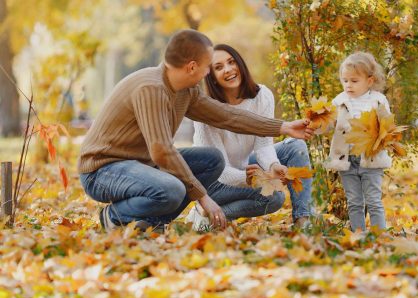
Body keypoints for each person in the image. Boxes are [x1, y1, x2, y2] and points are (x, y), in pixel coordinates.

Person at [78, 30, 313, 233]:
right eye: (208, 66)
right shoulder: (151, 88)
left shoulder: (186, 91)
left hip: (141, 166)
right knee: (172, 189)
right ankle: (113, 217)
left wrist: (283, 127)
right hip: (103, 171)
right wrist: (203, 197)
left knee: (211, 160)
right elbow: (161, 151)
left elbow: (228, 116)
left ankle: (152, 222)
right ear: (192, 67)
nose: (209, 73)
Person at [192, 44, 313, 228]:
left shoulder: (262, 96)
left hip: (244, 167)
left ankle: (303, 220)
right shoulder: (206, 111)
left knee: (295, 146)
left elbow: (263, 144)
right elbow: (220, 170)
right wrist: (249, 179)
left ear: (240, 64)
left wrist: (273, 165)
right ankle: (210, 217)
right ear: (212, 77)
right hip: (212, 184)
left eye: (231, 62)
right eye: (219, 67)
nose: (228, 69)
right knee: (274, 197)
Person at [324, 51, 392, 232]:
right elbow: (328, 124)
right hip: (347, 160)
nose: (348, 85)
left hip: (370, 159)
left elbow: (387, 128)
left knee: (373, 200)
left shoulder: (378, 101)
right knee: (354, 201)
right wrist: (318, 123)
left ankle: (379, 236)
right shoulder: (340, 101)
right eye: (345, 80)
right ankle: (358, 236)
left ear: (369, 81)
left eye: (354, 81)